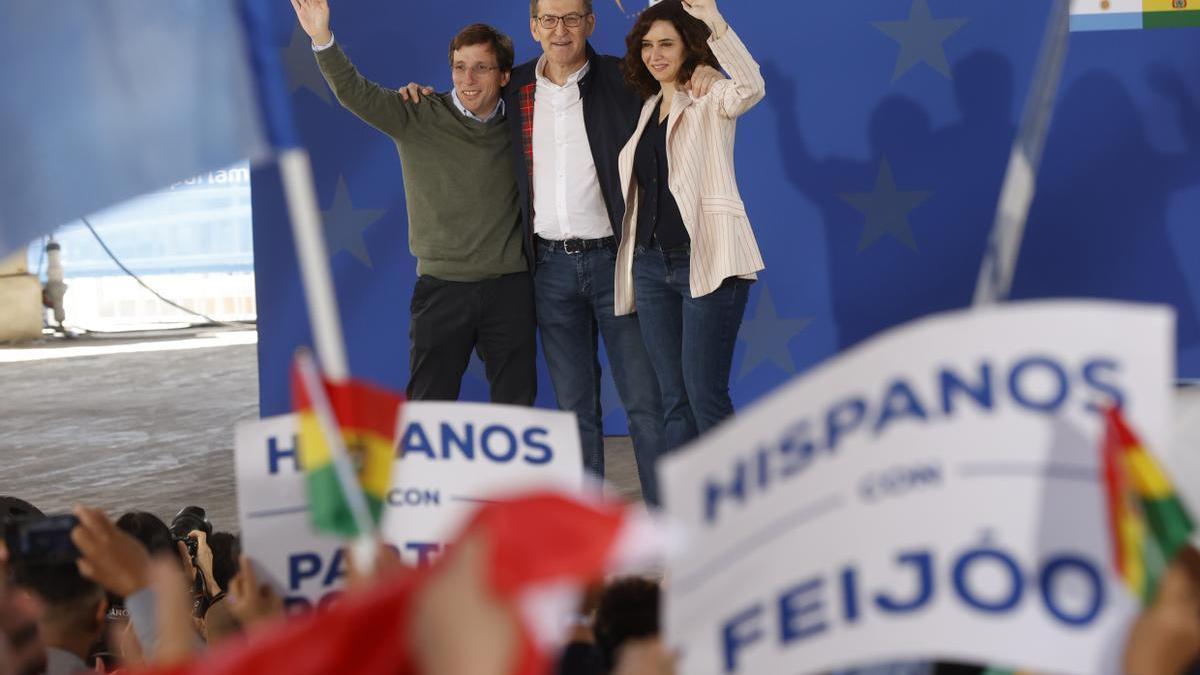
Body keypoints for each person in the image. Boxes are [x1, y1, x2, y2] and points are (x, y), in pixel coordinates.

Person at [290, 0, 537, 405]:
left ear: (505, 75)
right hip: (441, 290)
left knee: (517, 411)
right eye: (459, 67)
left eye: (481, 67)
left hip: (509, 290)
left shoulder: (525, 122)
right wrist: (321, 38)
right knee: (429, 409)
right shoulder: (417, 113)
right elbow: (354, 92)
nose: (468, 78)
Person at [613, 0, 765, 449]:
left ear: (688, 48)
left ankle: (735, 511)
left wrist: (715, 23)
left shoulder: (708, 94)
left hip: (708, 263)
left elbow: (751, 87)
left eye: (666, 44)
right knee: (673, 399)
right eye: (647, 45)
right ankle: (684, 514)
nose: (655, 54)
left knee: (705, 396)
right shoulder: (648, 107)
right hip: (650, 267)